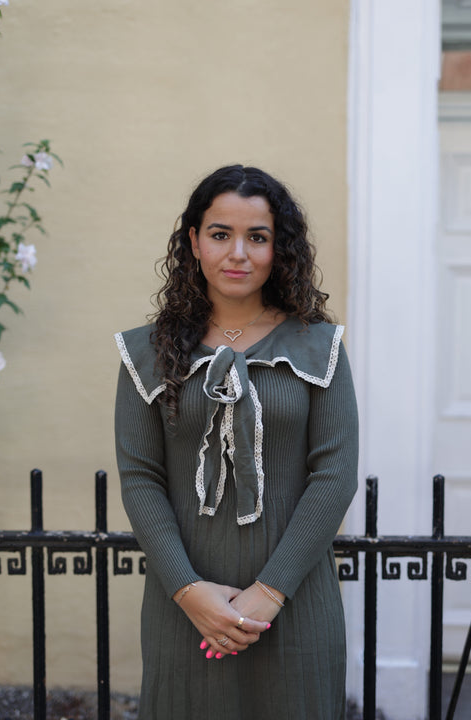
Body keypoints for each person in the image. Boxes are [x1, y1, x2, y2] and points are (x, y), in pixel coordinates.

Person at [114, 164, 359, 720]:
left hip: (296, 602)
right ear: (194, 241)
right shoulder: (145, 353)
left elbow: (335, 474)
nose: (238, 253)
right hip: (187, 608)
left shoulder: (320, 347)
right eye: (221, 234)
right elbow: (140, 479)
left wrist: (267, 594)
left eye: (258, 237)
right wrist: (189, 593)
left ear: (280, 249)